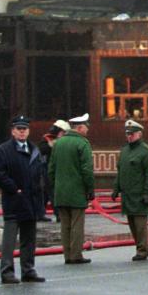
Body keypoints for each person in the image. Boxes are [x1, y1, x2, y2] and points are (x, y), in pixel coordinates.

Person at [0, 114, 47, 284]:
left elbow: (39, 175)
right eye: (19, 129)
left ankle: (28, 270)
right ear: (13, 131)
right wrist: (14, 189)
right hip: (14, 201)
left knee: (29, 239)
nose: (22, 132)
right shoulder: (4, 150)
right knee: (9, 239)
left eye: (25, 129)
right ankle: (7, 272)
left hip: (31, 201)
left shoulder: (33, 149)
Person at [48, 112, 95, 264]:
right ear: (80, 128)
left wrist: (56, 186)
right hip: (77, 191)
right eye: (86, 127)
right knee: (76, 225)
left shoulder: (58, 143)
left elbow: (51, 169)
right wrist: (90, 190)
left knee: (65, 225)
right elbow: (87, 170)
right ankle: (76, 255)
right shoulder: (83, 144)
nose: (87, 130)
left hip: (60, 192)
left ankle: (67, 255)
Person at [111, 119, 148, 261]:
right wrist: (116, 189)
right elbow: (120, 171)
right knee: (132, 223)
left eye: (132, 134)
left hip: (139, 194)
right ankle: (146, 246)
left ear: (139, 134)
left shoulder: (145, 151)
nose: (129, 136)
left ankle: (142, 250)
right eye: (127, 134)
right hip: (127, 195)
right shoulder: (124, 151)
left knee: (140, 224)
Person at [37, 119, 69, 217]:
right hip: (47, 168)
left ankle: (39, 214)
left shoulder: (64, 140)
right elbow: (42, 150)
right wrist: (52, 144)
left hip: (57, 169)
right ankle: (58, 214)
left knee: (46, 193)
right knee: (51, 191)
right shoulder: (47, 139)